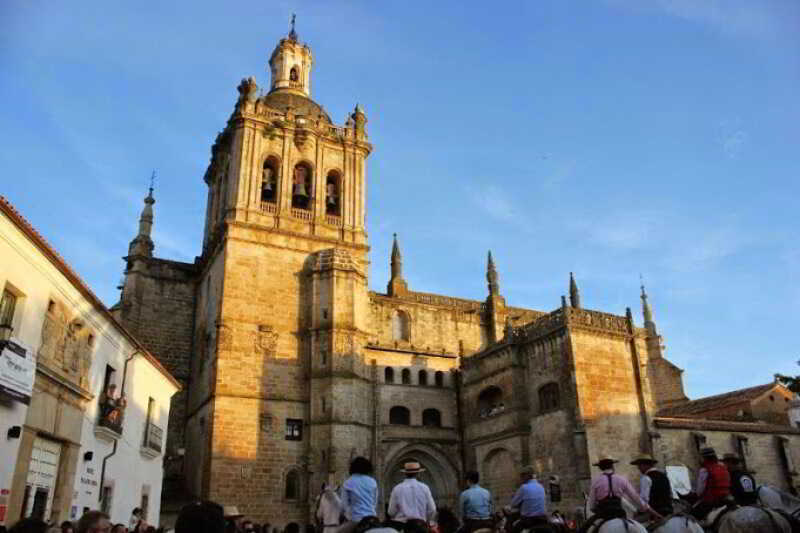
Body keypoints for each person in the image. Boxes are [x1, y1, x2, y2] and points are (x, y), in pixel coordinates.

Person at [580, 456, 660, 533]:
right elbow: (636, 498)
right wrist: (650, 511)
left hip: (603, 514)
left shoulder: (596, 481)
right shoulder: (622, 479)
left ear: (600, 467)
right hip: (619, 512)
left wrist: (595, 509)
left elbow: (591, 506)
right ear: (612, 466)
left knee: (584, 528)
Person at [387, 461, 437, 533]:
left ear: (405, 473)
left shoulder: (397, 488)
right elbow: (432, 509)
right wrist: (429, 522)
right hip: (420, 526)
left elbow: (391, 512)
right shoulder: (425, 488)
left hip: (402, 526)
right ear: (418, 473)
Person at [338, 457, 379, 533]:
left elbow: (344, 505)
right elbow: (374, 503)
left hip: (357, 519)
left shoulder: (348, 482)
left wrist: (344, 515)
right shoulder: (373, 482)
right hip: (373, 518)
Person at [505, 466, 548, 533]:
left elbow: (513, 504)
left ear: (526, 476)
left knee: (511, 526)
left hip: (529, 520)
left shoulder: (524, 488)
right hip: (543, 519)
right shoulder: (541, 486)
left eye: (522, 476)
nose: (521, 478)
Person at [691, 447, 731, 520]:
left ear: (704, 458)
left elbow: (699, 491)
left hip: (712, 501)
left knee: (692, 516)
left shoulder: (704, 470)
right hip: (727, 499)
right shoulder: (723, 467)